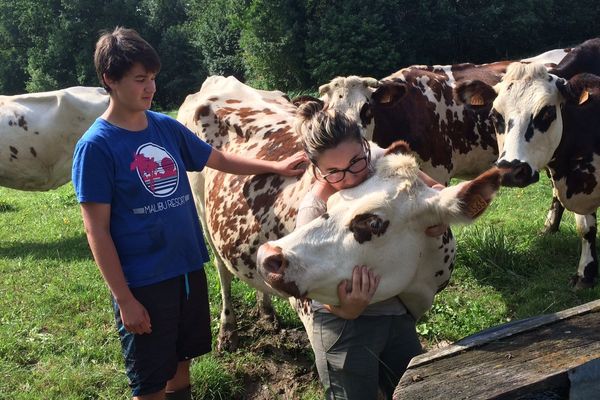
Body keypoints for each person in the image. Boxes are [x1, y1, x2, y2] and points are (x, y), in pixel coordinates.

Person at [72, 27, 305, 400]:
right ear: (109, 81)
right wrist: (124, 299)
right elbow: (96, 231)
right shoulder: (96, 147)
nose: (150, 88)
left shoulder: (165, 127)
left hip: (186, 268)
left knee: (181, 365)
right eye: (139, 80)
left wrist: (274, 167)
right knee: (148, 382)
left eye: (152, 78)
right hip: (143, 282)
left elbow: (218, 159)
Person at [294, 101, 446, 400]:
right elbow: (310, 286)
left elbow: (436, 190)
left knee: (415, 390)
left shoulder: (381, 166)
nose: (350, 178)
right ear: (316, 171)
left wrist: (437, 213)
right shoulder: (313, 211)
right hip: (342, 325)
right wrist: (346, 309)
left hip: (394, 310)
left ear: (367, 147)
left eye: (355, 162)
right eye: (334, 172)